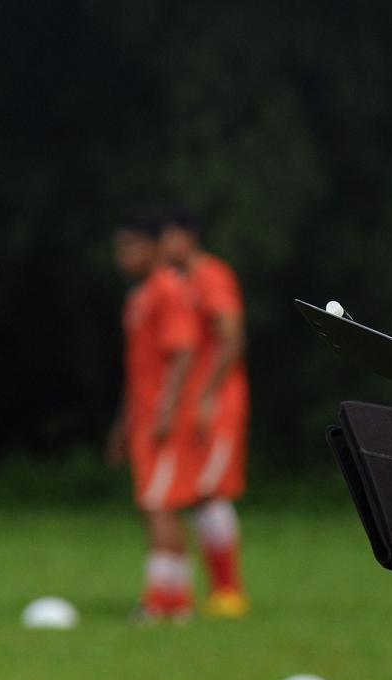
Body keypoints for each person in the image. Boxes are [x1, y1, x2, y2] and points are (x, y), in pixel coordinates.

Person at [106, 209, 200, 623]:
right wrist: (123, 424)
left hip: (165, 419)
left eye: (131, 248)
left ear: (153, 248)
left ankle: (168, 602)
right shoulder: (139, 297)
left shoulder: (167, 290)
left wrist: (166, 409)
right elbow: (137, 368)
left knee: (162, 506)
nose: (122, 257)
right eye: (119, 250)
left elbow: (182, 354)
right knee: (152, 505)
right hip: (142, 418)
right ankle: (170, 601)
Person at [158, 205, 251, 619]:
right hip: (193, 401)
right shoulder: (175, 283)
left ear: (186, 236)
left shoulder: (211, 276)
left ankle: (229, 592)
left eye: (166, 236)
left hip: (217, 400)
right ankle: (212, 590)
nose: (161, 245)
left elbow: (231, 339)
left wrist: (208, 395)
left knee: (209, 491)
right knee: (196, 492)